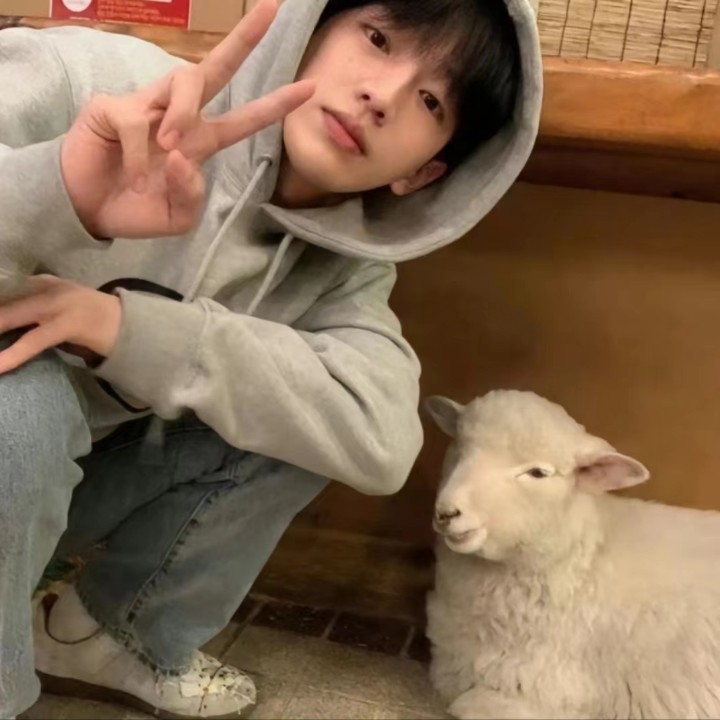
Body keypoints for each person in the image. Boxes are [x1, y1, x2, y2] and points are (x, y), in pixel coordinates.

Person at [0, 0, 541, 716]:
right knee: (24, 399)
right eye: (379, 39)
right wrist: (58, 190)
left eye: (432, 100)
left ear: (422, 173)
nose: (383, 95)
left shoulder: (344, 269)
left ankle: (109, 636)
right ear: (311, 31)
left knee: (310, 407)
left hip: (51, 500)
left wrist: (130, 328)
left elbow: (382, 439)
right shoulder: (94, 79)